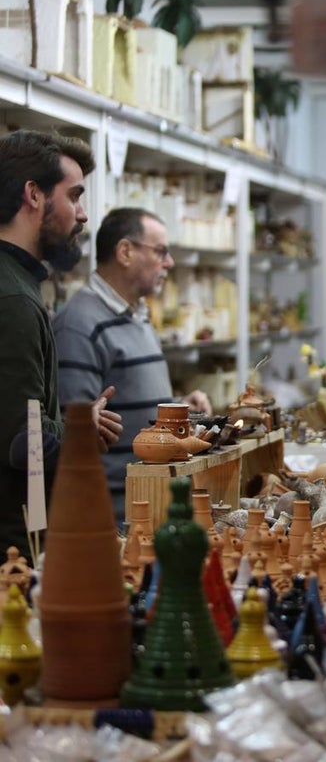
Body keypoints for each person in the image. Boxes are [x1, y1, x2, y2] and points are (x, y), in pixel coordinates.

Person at [0, 130, 122, 556]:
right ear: (34, 196)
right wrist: (80, 429)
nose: (83, 215)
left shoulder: (19, 286)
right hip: (14, 552)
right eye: (74, 197)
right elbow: (22, 442)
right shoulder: (13, 298)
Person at [54, 207, 212, 521]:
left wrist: (177, 410)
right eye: (161, 252)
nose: (169, 263)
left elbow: (131, 410)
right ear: (125, 251)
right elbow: (77, 436)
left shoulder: (138, 315)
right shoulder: (79, 325)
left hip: (152, 502)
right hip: (116, 516)